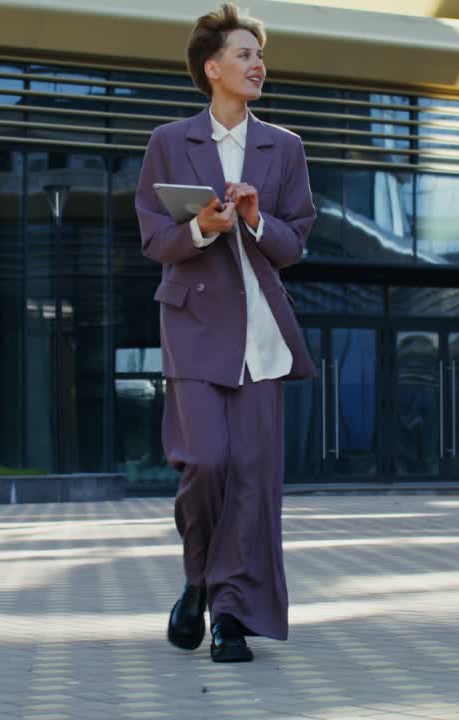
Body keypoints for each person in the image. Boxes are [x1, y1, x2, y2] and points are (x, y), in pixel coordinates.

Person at [134, 3, 317, 663]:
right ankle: (197, 578)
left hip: (261, 335)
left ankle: (230, 615)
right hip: (193, 325)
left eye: (259, 55)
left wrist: (257, 219)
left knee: (252, 478)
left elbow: (295, 242)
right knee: (207, 462)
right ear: (212, 68)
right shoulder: (168, 141)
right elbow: (155, 238)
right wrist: (201, 228)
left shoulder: (285, 147)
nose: (257, 64)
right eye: (243, 54)